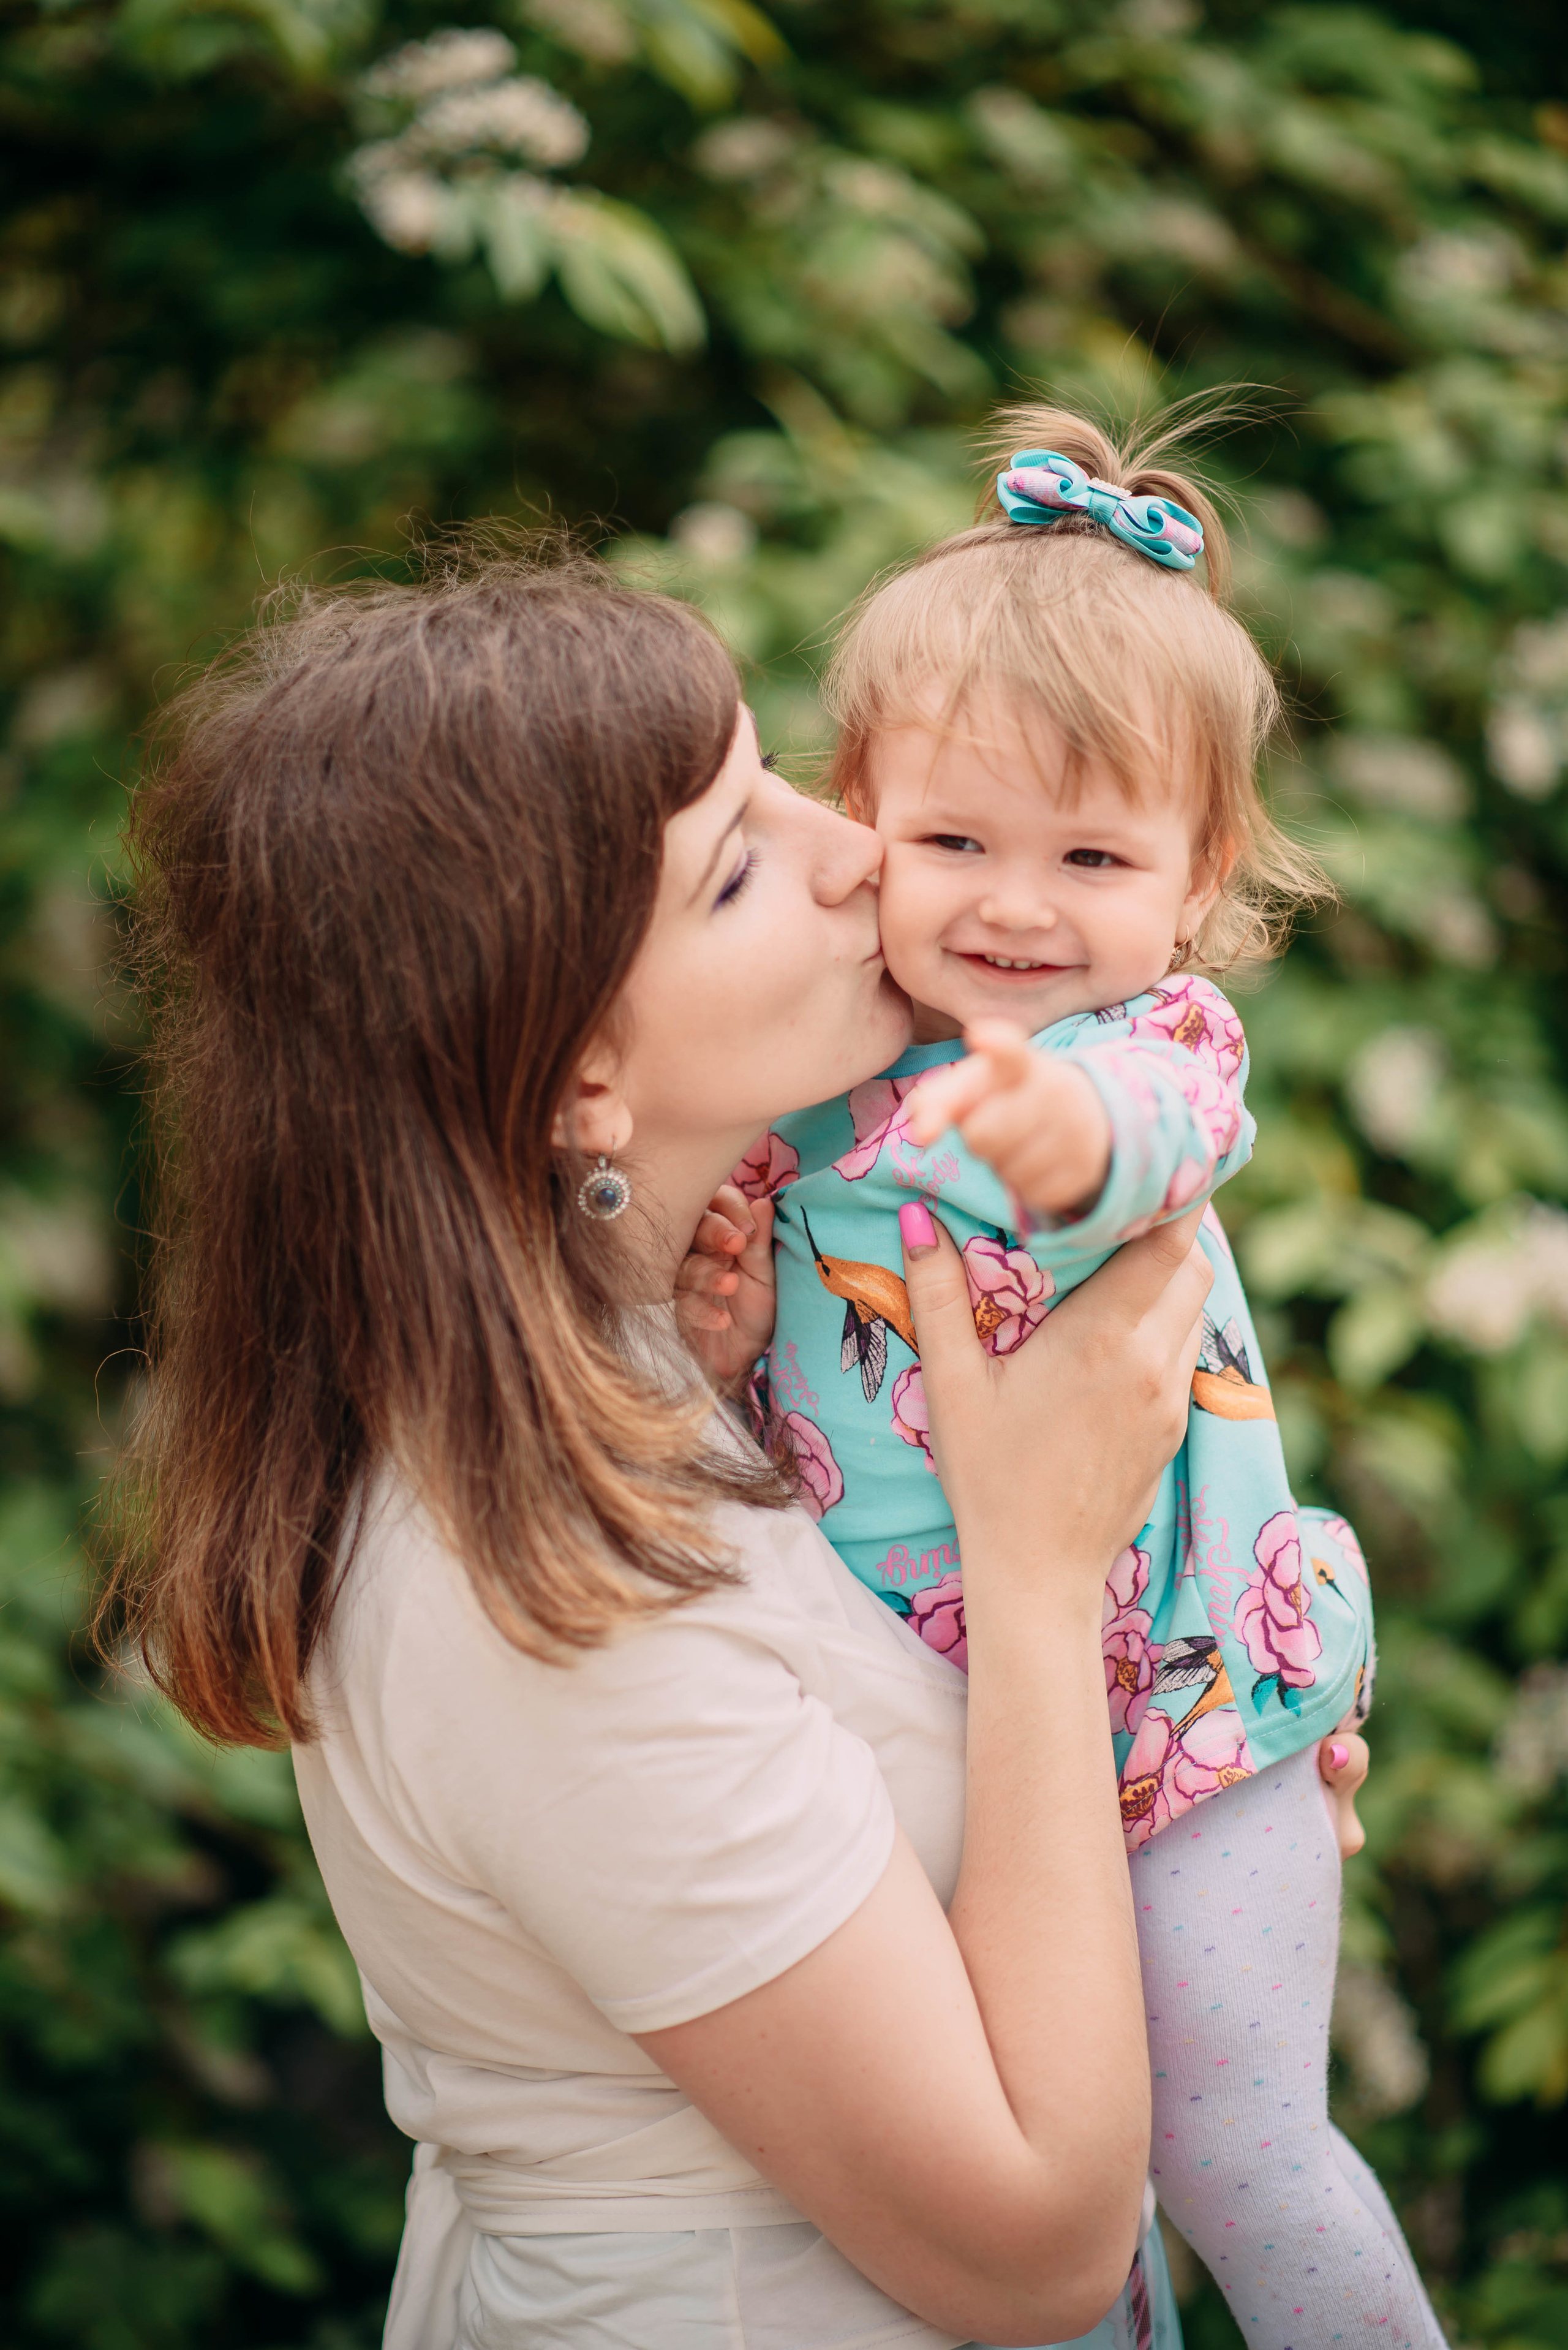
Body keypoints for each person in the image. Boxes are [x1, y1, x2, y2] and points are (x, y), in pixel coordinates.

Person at [104, 543, 1368, 2350]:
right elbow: (1033, 2252)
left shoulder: (685, 1344)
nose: (856, 845)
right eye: (738, 862)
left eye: (783, 775)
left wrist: (1211, 1762)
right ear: (581, 1074)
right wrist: (1039, 1577)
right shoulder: (532, 1585)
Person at [685, 404, 1436, 2350]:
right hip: (950, 1740)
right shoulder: (815, 1079)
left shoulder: (1151, 1046)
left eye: (1092, 854)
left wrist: (1061, 1133)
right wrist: (716, 1320)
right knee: (1049, 2214)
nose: (1016, 904)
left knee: (1236, 2150)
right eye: (956, 841)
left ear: (1195, 880)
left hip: (1189, 1707)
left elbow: (1157, 1141)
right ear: (865, 817)